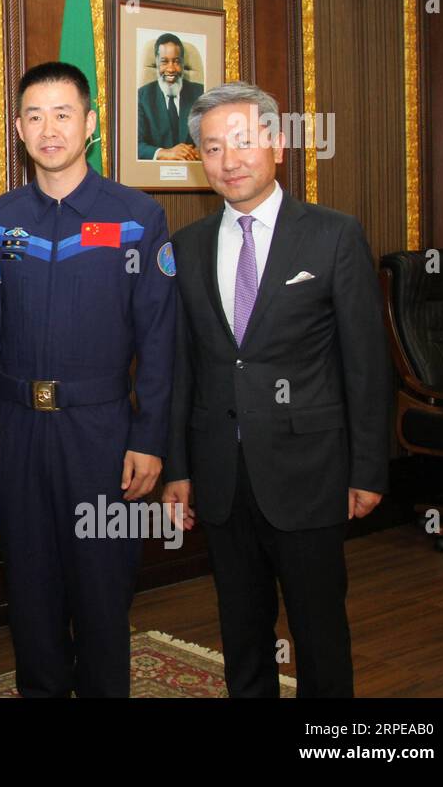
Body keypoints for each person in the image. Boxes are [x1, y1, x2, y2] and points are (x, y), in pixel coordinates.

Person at [162, 82, 390, 697]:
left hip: (310, 473)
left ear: (277, 143)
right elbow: (185, 368)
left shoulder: (333, 236)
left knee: (319, 631)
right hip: (222, 476)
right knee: (241, 630)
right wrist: (178, 468)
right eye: (211, 148)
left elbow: (366, 364)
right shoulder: (185, 247)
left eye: (241, 142)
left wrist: (368, 469)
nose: (229, 160)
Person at [0, 61, 175, 697]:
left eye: (64, 114)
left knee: (101, 593)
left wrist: (148, 438)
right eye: (34, 116)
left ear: (89, 124)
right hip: (15, 433)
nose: (49, 128)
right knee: (30, 596)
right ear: (17, 129)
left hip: (102, 436)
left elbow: (160, 339)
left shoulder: (138, 216)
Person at [137, 33, 204, 161]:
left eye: (176, 61)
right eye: (164, 61)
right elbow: (135, 145)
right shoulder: (141, 97)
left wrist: (199, 151)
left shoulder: (201, 94)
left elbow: (212, 138)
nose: (171, 68)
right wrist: (165, 153)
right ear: (156, 62)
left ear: (183, 63)